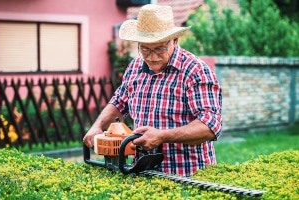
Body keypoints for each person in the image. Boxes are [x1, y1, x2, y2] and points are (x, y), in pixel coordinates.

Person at [83, 4, 222, 177]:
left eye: (159, 49)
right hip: (142, 174)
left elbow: (210, 126)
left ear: (175, 40)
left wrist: (163, 136)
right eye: (145, 49)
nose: (151, 56)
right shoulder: (134, 67)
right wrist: (97, 127)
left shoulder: (195, 71)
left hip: (188, 176)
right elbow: (119, 102)